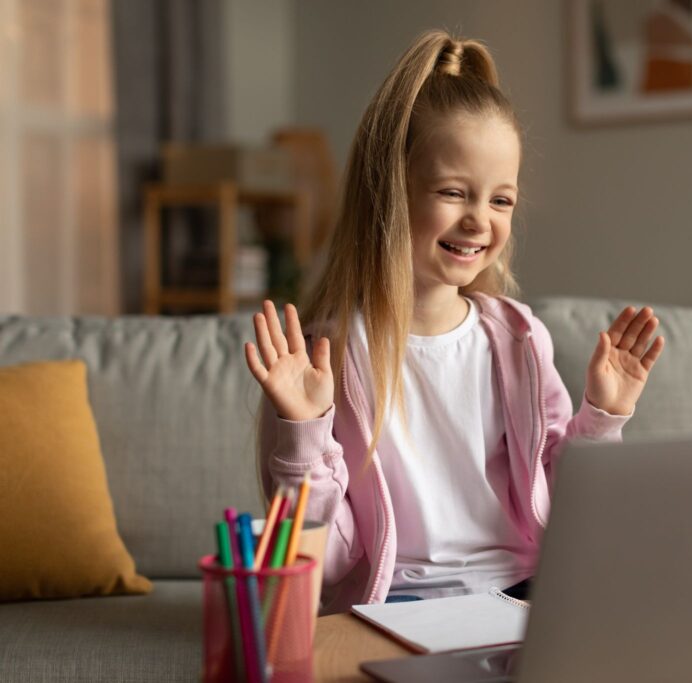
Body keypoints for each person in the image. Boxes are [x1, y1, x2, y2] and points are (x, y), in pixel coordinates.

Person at [245, 30, 665, 614]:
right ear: (389, 192)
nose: (479, 221)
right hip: (392, 604)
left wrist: (602, 418)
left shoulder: (518, 339)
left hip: (524, 597)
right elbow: (318, 562)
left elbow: (568, 511)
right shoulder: (326, 359)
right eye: (453, 192)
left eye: (501, 201)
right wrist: (304, 427)